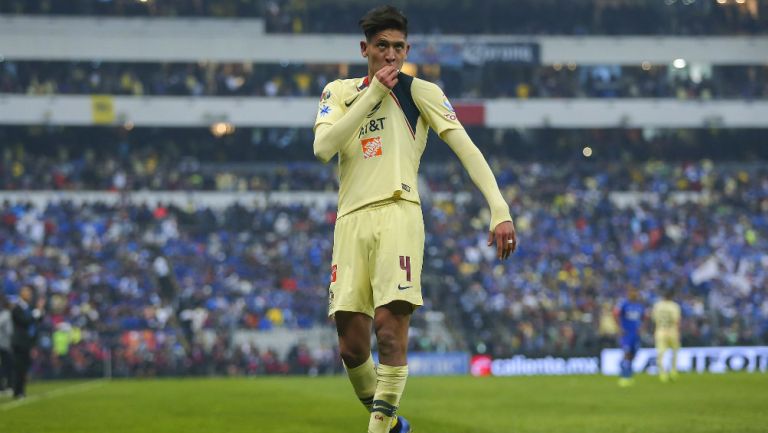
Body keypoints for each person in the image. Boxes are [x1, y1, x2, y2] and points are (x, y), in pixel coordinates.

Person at [312, 5, 516, 433]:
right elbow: (323, 147)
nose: (390, 56)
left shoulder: (421, 92)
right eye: (382, 47)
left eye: (398, 47)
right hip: (350, 219)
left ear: (407, 50)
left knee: (390, 328)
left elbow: (467, 149)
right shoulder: (339, 91)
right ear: (364, 49)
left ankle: (379, 429)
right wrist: (371, 94)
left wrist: (499, 209)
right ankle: (394, 422)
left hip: (398, 211)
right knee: (351, 346)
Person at [11, 285, 45, 399]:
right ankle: (17, 391)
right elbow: (25, 321)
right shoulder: (17, 308)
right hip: (19, 342)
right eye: (27, 293)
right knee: (19, 367)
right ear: (22, 294)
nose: (29, 295)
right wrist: (35, 313)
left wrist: (40, 310)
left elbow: (38, 320)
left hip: (28, 342)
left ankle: (21, 390)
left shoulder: (29, 308)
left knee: (25, 367)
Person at [614, 288, 645, 387]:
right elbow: (615, 314)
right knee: (626, 353)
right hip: (626, 333)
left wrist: (642, 328)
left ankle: (628, 374)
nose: (634, 294)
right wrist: (620, 328)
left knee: (633, 355)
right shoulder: (624, 304)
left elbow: (644, 317)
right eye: (632, 292)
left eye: (635, 292)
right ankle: (624, 376)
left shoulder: (639, 306)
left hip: (635, 334)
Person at [652, 289, 681, 382]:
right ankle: (673, 371)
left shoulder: (657, 305)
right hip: (672, 330)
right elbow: (677, 320)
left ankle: (662, 374)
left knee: (660, 353)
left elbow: (654, 318)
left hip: (660, 330)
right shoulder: (674, 306)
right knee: (674, 352)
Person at [0, 294, 13, 395]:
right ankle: (5, 386)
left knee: (4, 365)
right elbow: (9, 331)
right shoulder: (7, 314)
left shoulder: (3, 314)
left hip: (3, 343)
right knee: (6, 365)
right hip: (5, 344)